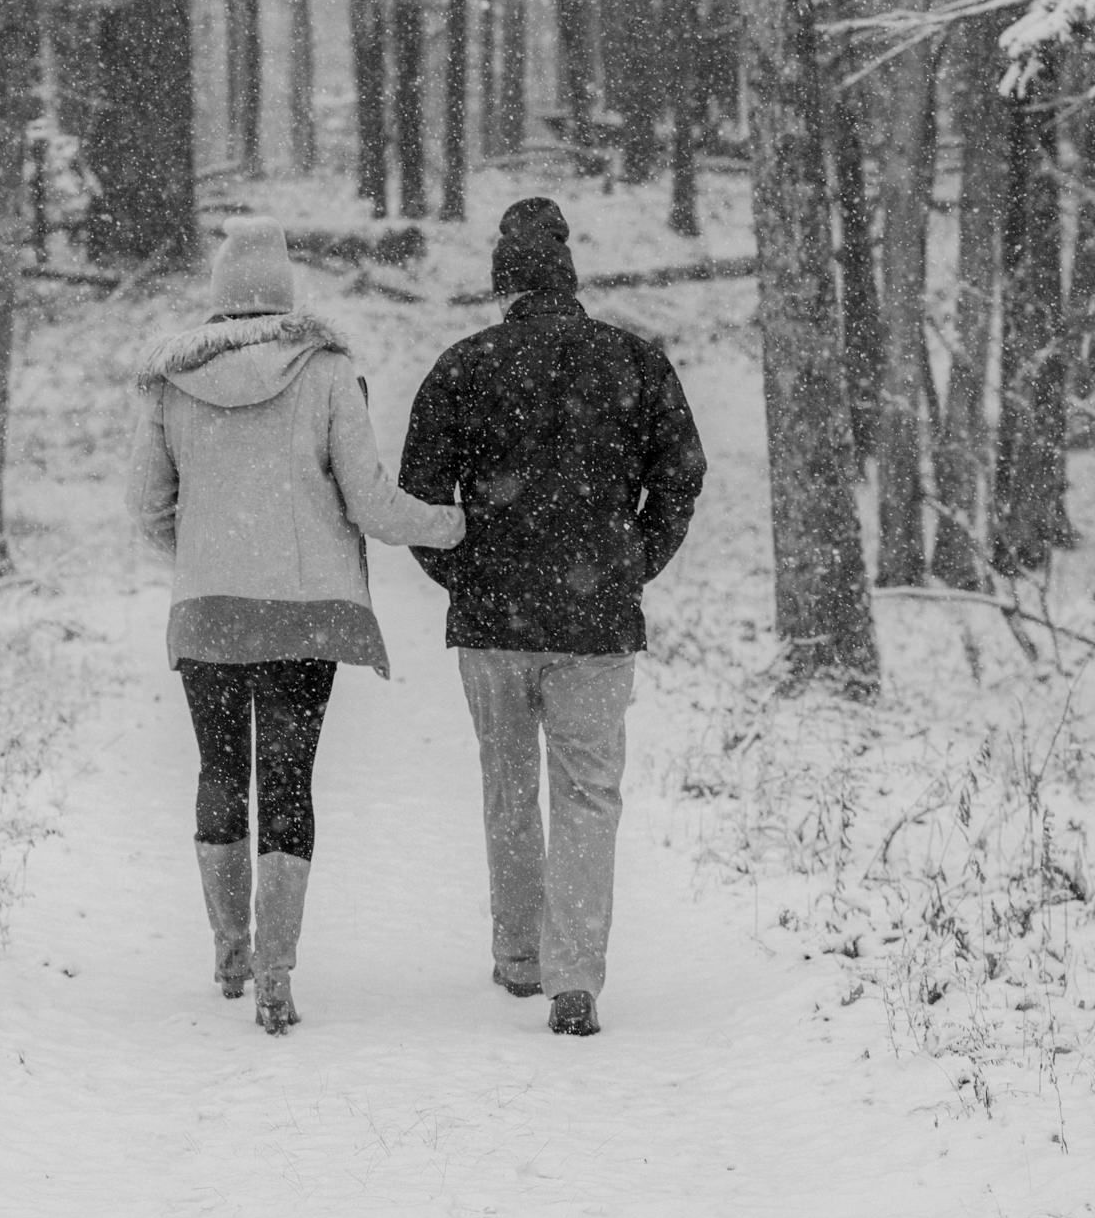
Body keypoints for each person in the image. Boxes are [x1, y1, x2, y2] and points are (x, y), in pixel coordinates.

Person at [129, 216, 465, 1036]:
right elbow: (372, 503)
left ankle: (229, 953)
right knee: (286, 781)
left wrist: (203, 555)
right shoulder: (326, 371)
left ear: (218, 294)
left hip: (208, 609)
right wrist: (455, 525)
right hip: (304, 617)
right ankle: (277, 971)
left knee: (219, 770)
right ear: (284, 291)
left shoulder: (171, 381)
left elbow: (146, 506)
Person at [399, 197, 707, 1038]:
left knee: (508, 788)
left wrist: (463, 573)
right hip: (596, 619)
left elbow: (420, 502)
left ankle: (520, 956)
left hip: (494, 621)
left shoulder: (463, 368)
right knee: (588, 794)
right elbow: (682, 473)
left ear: (504, 287)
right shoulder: (634, 363)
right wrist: (634, 560)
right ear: (571, 280)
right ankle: (575, 976)